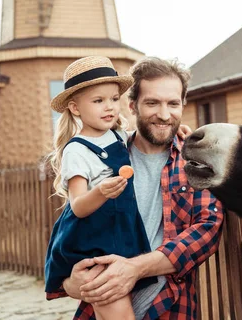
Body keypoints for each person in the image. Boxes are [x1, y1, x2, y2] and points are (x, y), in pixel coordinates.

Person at [46, 56, 224, 320]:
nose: (164, 115)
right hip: (102, 302)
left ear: (183, 105)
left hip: (169, 306)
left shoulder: (195, 163)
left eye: (173, 103)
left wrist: (133, 269)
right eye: (152, 103)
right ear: (132, 105)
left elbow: (207, 230)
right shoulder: (104, 156)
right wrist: (70, 283)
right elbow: (74, 229)